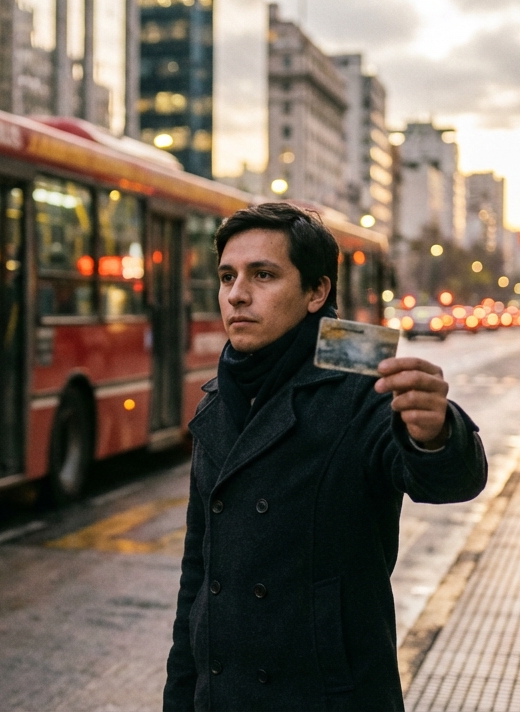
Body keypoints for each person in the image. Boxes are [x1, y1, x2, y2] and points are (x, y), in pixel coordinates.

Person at [163, 204, 487, 711]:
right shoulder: (217, 399)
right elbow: (197, 576)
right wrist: (181, 696)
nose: (236, 294)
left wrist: (438, 431)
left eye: (262, 275)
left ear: (317, 292)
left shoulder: (363, 386)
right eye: (227, 276)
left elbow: (448, 480)